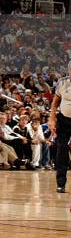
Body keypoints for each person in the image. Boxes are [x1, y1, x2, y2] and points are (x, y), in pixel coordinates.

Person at [49, 61, 71, 192]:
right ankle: (61, 183)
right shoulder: (62, 82)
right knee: (61, 149)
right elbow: (55, 103)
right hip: (63, 120)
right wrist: (52, 119)